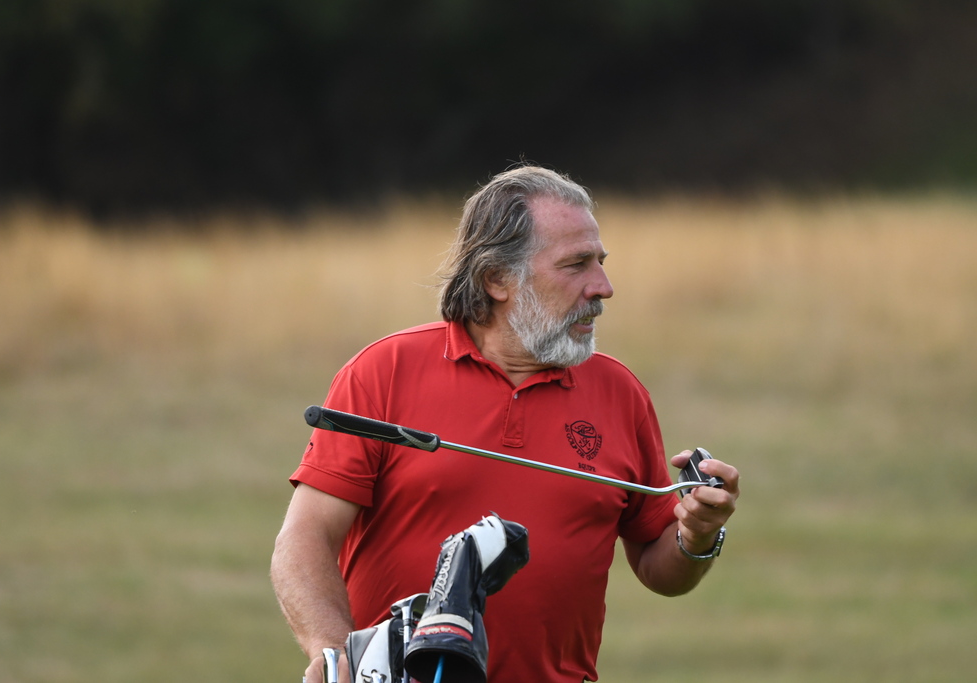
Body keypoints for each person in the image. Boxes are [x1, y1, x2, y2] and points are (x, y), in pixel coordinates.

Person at [271, 164, 740, 683]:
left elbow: (659, 567)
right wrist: (334, 656)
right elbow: (305, 540)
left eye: (600, 263)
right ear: (497, 278)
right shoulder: (384, 372)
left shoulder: (620, 392)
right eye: (576, 265)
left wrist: (698, 535)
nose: (603, 287)